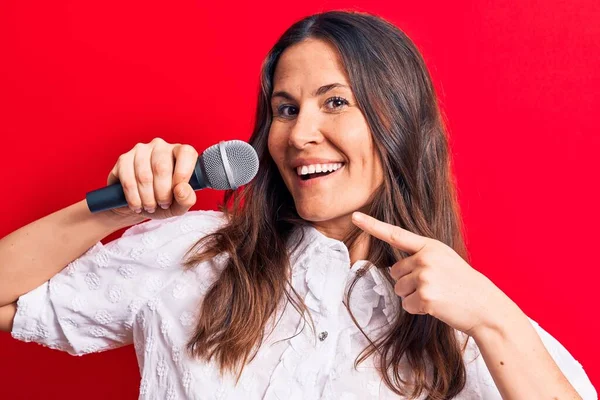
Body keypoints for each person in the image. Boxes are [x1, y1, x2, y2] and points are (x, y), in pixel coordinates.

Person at [0, 10, 596, 400]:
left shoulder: (465, 318)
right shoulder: (194, 253)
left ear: (401, 123)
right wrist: (119, 209)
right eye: (285, 109)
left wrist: (495, 320)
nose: (299, 133)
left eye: (335, 103)